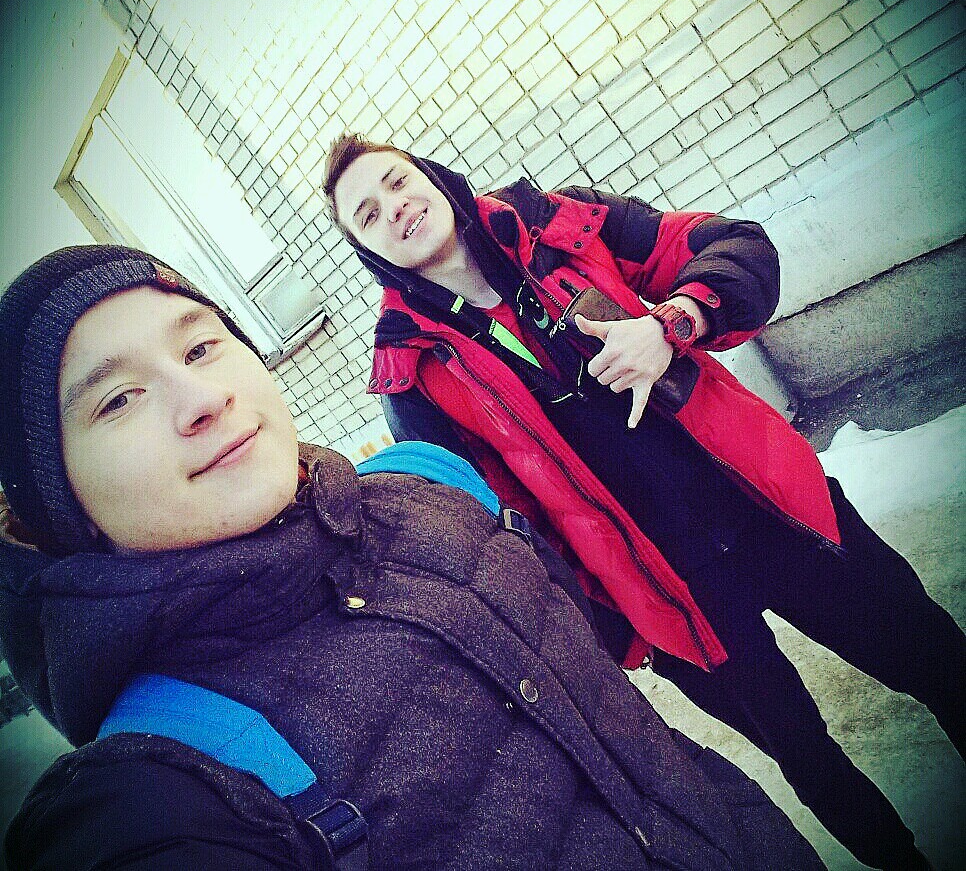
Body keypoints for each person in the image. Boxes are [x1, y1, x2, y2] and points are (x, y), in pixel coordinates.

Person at [0, 244, 826, 869]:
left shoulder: (429, 485)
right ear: (49, 508)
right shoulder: (159, 792)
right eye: (118, 400)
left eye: (199, 349)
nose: (201, 400)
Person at [323, 133, 966, 871]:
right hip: (667, 597)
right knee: (807, 756)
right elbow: (492, 534)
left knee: (932, 655)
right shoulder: (411, 372)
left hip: (767, 507)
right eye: (367, 216)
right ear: (367, 251)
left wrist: (672, 324)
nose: (395, 209)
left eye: (397, 182)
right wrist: (610, 630)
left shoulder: (560, 224)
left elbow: (733, 246)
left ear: (431, 176)